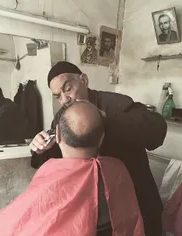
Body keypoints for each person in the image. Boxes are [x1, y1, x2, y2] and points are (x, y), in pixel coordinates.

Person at [0, 101, 145, 236]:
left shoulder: (51, 171)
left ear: (57, 135)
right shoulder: (118, 169)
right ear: (102, 138)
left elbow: (13, 226)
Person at [30, 61, 167, 236]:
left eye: (68, 89)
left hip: (137, 198)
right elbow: (58, 160)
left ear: (84, 80)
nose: (65, 100)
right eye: (58, 96)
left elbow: (157, 130)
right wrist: (42, 149)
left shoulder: (116, 103)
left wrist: (106, 121)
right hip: (97, 209)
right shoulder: (62, 116)